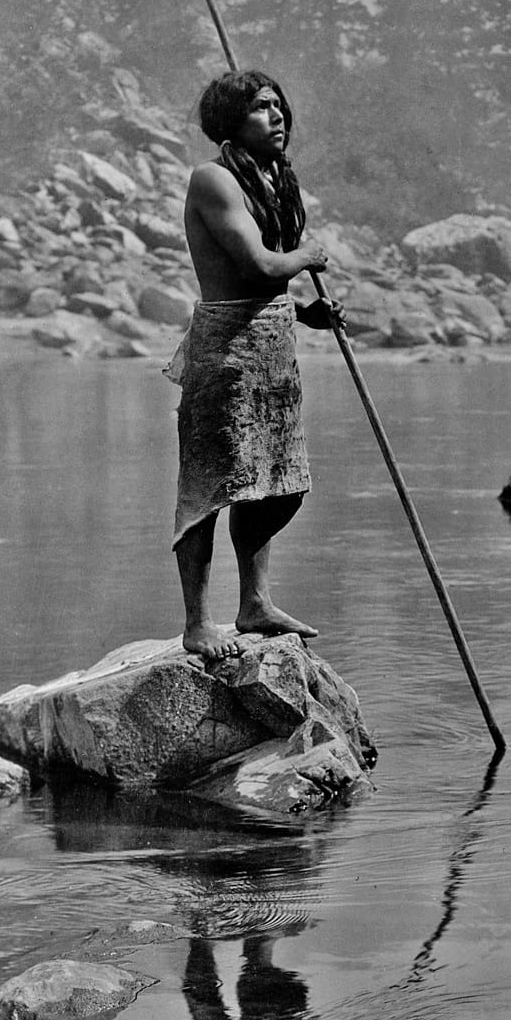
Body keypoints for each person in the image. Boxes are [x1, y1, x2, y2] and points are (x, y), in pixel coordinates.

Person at [167, 68, 341, 662]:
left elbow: (270, 288)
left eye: (279, 106)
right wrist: (306, 255)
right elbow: (255, 266)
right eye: (261, 108)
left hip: (272, 347)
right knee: (211, 486)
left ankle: (255, 603)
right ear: (230, 124)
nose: (278, 117)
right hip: (224, 353)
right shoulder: (213, 179)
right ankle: (197, 623)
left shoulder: (273, 180)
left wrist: (308, 315)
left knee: (273, 485)